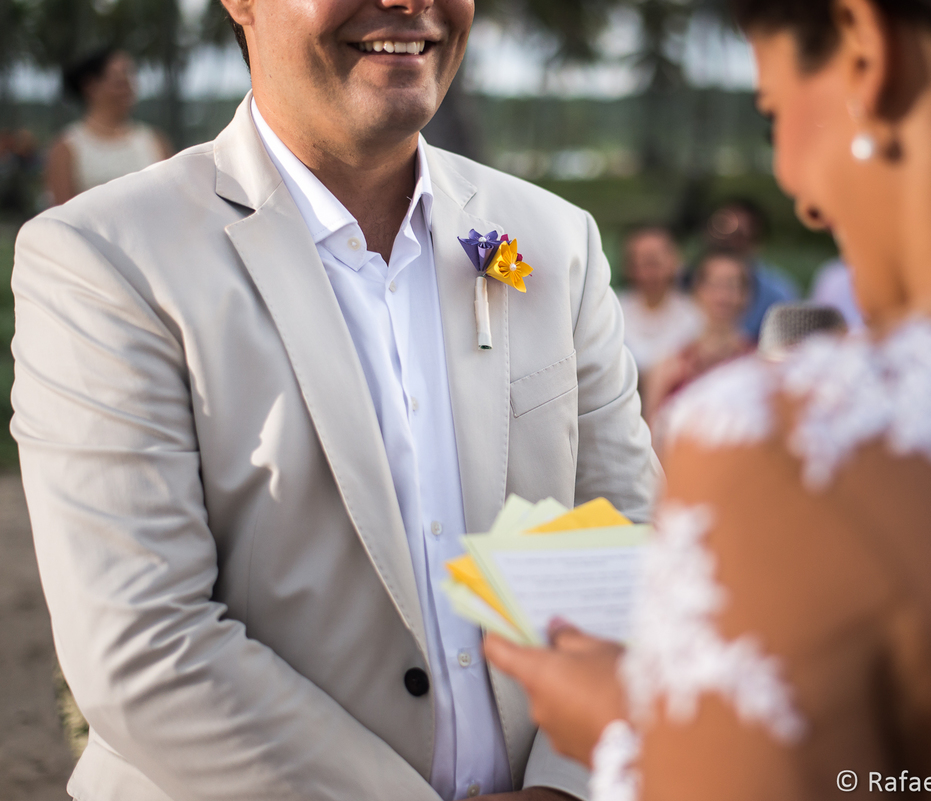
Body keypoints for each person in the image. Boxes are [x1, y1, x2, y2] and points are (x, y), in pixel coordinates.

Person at [483, 0, 931, 799]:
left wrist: (636, 742)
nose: (799, 193)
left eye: (774, 113)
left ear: (867, 50)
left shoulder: (790, 444)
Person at [12, 0, 656, 799]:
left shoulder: (552, 240)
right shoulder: (106, 260)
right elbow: (143, 642)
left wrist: (569, 783)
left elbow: (624, 544)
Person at [639, 250, 753, 426]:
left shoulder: (760, 365)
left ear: (746, 295)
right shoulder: (667, 369)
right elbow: (651, 438)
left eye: (732, 285)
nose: (722, 296)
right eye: (714, 285)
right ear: (697, 292)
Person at [44, 49, 171, 206]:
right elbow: (62, 214)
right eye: (120, 81)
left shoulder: (153, 140)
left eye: (132, 78)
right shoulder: (68, 147)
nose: (129, 88)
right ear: (90, 86)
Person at [616, 226, 703, 385]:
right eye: (637, 262)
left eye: (653, 262)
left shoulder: (695, 314)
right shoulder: (613, 311)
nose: (646, 272)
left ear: (675, 261)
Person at [703, 198, 797, 339]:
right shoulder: (684, 279)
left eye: (739, 235)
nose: (729, 242)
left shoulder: (778, 295)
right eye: (722, 229)